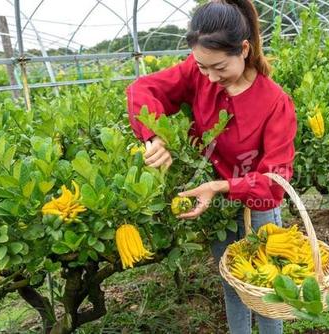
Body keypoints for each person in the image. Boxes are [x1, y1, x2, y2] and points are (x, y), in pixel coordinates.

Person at [126, 1, 296, 333]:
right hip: (216, 208)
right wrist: (154, 135)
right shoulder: (198, 72)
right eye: (202, 67)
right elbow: (142, 89)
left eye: (219, 67)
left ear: (244, 49)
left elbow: (275, 182)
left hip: (257, 206)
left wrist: (219, 186)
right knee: (232, 286)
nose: (210, 77)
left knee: (266, 293)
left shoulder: (275, 102)